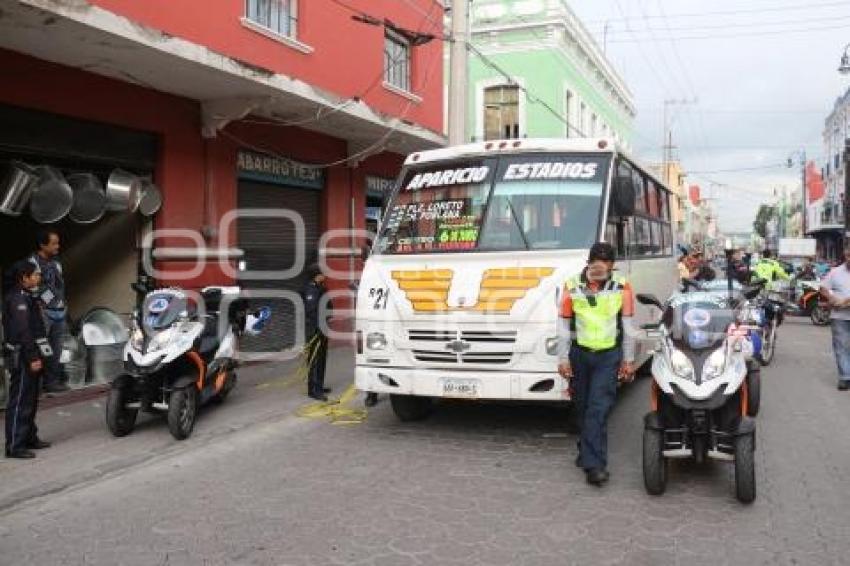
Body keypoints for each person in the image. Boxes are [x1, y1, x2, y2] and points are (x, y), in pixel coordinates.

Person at [557, 242, 636, 487]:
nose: (600, 266)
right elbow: (562, 325)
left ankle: (595, 465)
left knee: (597, 409)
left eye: (606, 262)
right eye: (596, 261)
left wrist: (628, 360)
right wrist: (562, 358)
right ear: (589, 262)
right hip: (580, 356)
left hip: (608, 356)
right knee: (581, 408)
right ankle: (585, 449)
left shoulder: (622, 287)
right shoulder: (571, 286)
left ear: (612, 266)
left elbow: (629, 326)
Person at [4, 261, 53, 458]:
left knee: (31, 399)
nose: (38, 278)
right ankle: (14, 445)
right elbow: (23, 331)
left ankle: (29, 437)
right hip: (23, 355)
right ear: (24, 278)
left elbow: (52, 301)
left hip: (33, 352)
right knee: (20, 400)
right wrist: (33, 356)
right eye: (35, 275)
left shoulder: (29, 296)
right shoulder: (17, 299)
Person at [29, 230, 69, 393]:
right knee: (40, 348)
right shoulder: (33, 263)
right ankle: (34, 385)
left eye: (58, 243)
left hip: (59, 311)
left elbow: (59, 286)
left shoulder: (56, 263)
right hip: (43, 312)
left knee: (56, 349)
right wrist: (43, 304)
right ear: (42, 245)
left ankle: (51, 382)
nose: (57, 246)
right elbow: (34, 288)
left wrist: (63, 304)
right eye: (54, 243)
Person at [820, 244, 850, 391]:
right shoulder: (835, 272)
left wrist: (845, 302)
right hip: (839, 317)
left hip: (843, 308)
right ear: (845, 255)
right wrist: (831, 299)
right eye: (849, 255)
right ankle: (845, 377)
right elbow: (824, 288)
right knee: (841, 346)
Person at [302, 263, 332, 402]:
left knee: (322, 359)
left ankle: (319, 385)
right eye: (321, 273)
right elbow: (312, 312)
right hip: (315, 330)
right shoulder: (310, 290)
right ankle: (313, 390)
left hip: (323, 329)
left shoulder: (321, 288)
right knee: (314, 360)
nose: (324, 275)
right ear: (316, 275)